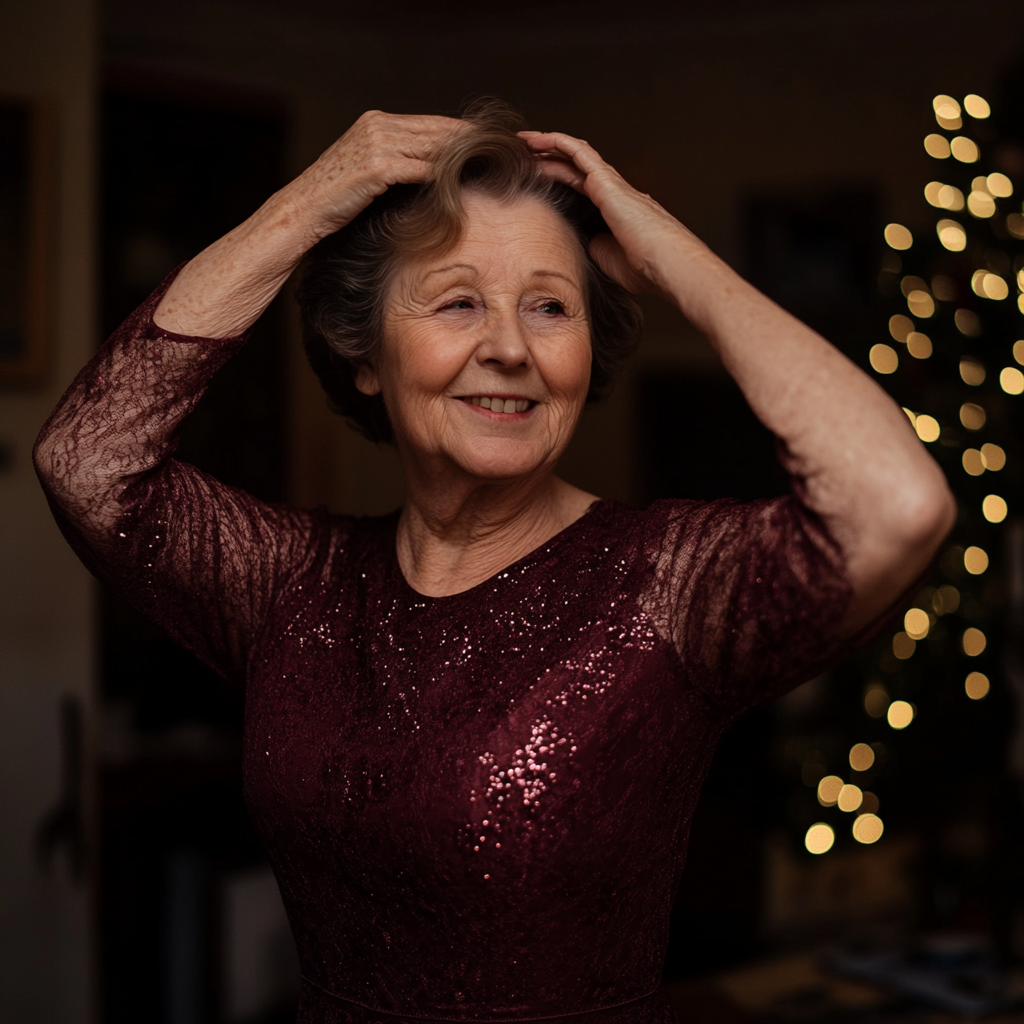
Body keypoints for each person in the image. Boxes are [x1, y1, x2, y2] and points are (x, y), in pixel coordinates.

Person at [35, 100, 954, 1023]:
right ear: (365, 354)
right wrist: (310, 201)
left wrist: (672, 252)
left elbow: (895, 505)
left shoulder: (667, 587)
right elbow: (86, 461)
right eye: (459, 301)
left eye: (550, 307)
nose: (510, 348)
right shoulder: (291, 584)